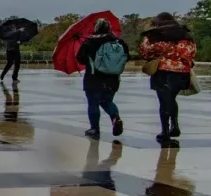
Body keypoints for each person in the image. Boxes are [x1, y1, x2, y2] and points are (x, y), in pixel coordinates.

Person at [139, 12, 197, 143]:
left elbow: (145, 51)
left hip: (163, 71)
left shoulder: (154, 35)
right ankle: (175, 125)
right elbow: (191, 52)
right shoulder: (186, 34)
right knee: (171, 98)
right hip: (182, 72)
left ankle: (165, 132)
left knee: (164, 101)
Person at [76, 18, 128, 139]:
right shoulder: (118, 41)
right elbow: (126, 57)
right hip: (113, 78)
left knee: (93, 103)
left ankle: (95, 129)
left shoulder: (89, 42)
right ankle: (115, 117)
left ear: (96, 28)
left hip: (94, 77)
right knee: (107, 101)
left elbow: (80, 58)